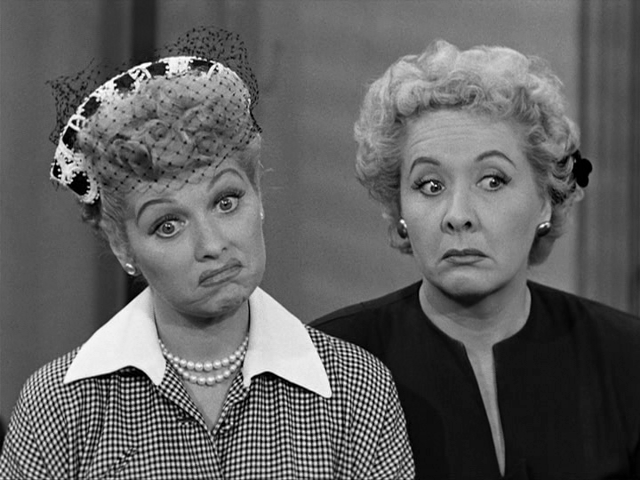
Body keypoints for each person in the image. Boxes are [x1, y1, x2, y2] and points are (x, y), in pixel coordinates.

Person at [0, 28, 414, 479]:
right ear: (123, 246)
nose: (212, 245)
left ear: (258, 195)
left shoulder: (355, 391)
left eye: (226, 201)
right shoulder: (59, 411)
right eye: (168, 225)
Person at [313, 39, 640, 480]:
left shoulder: (626, 359)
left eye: (492, 181)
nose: (458, 215)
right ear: (399, 209)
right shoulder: (329, 366)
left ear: (545, 200)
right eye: (430, 185)